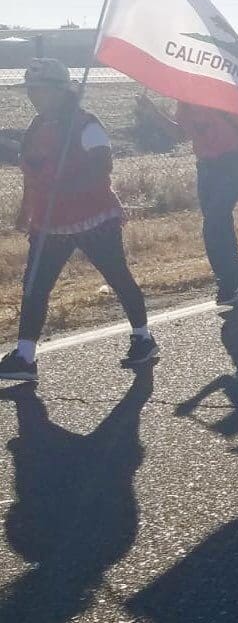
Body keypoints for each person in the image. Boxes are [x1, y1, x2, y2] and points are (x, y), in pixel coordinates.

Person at [0, 59, 159, 384]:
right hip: (49, 222)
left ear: (60, 91)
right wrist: (25, 211)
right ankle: (25, 357)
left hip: (93, 218)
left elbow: (102, 167)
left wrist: (67, 186)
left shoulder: (87, 125)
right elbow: (32, 172)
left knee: (117, 276)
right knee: (35, 286)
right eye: (30, 90)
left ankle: (143, 337)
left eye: (38, 89)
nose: (32, 96)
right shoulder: (36, 126)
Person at [135, 95, 238, 305]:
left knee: (214, 224)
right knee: (220, 224)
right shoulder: (186, 101)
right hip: (206, 168)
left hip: (231, 164)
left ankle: (228, 284)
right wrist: (153, 112)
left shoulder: (218, 93)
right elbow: (180, 133)